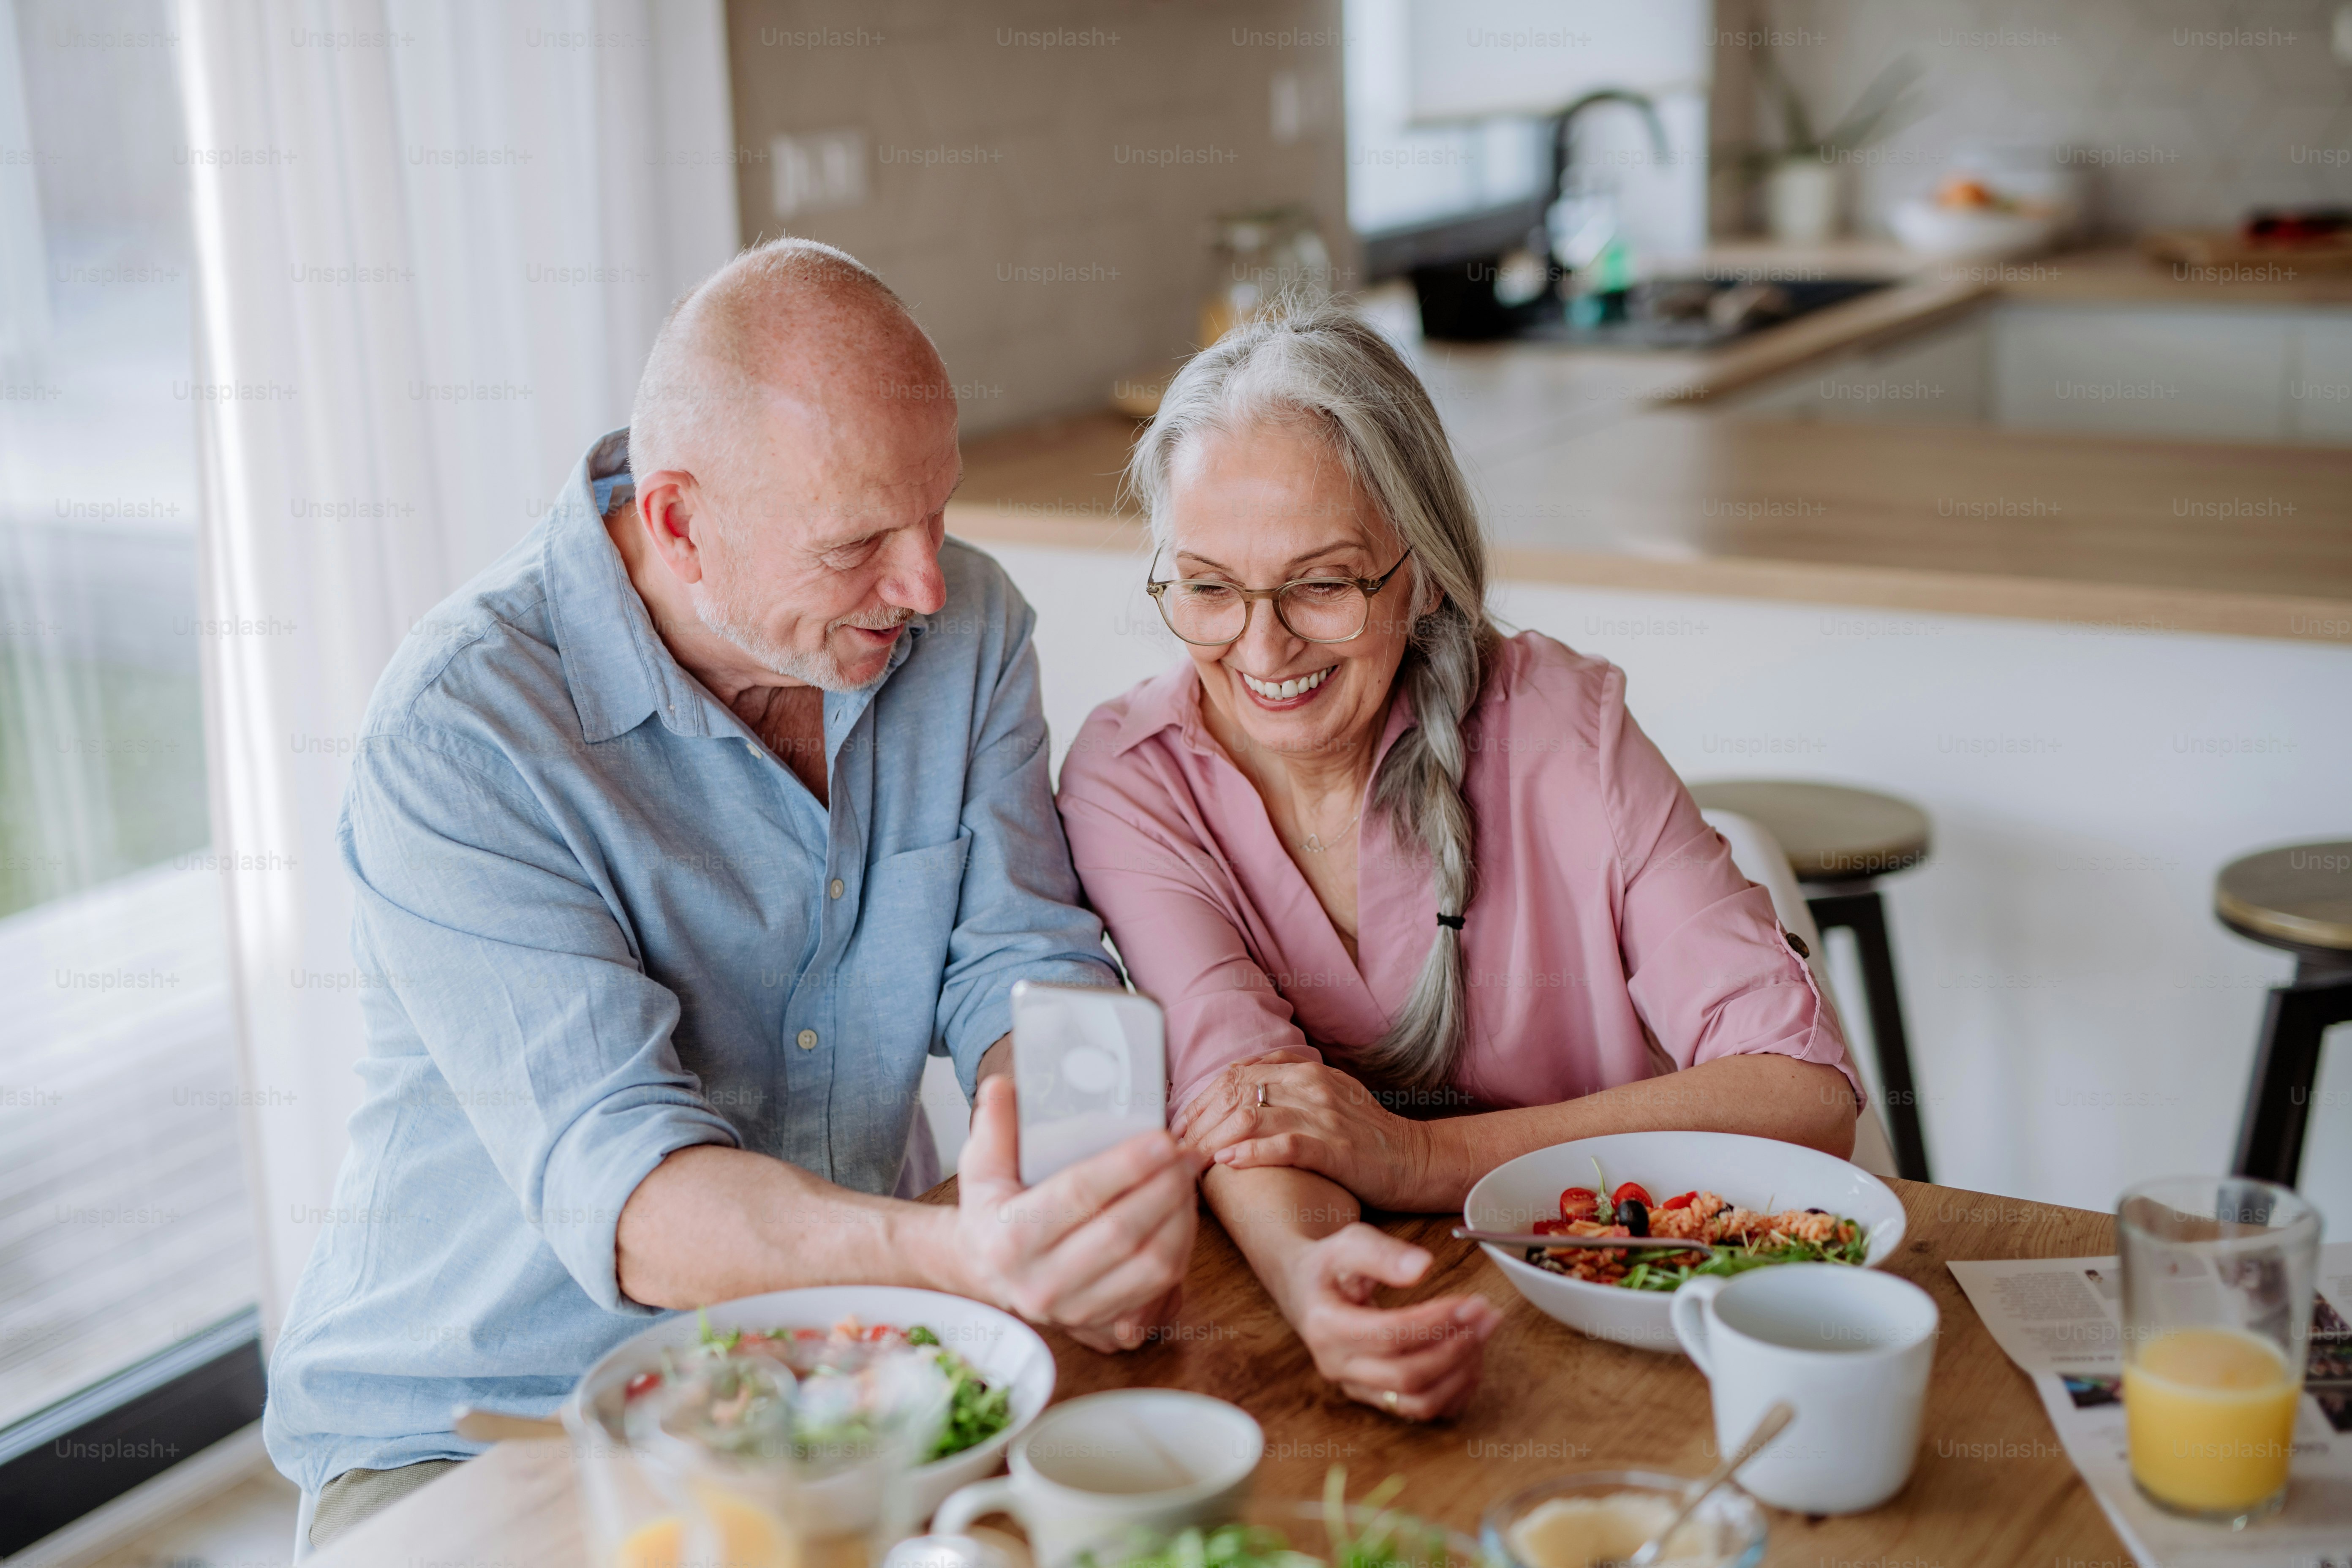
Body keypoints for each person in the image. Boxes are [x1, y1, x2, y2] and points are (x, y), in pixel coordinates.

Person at [265, 240, 1203, 1546]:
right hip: (486, 1425)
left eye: (938, 510)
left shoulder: (967, 628)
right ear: (679, 524)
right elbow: (631, 1193)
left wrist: (1081, 1186)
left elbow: (1025, 965)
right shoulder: (465, 728)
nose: (925, 582)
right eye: (859, 543)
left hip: (852, 1371)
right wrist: (966, 1259)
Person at [1056, 302, 1862, 1422]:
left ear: (1425, 574)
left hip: (1614, 1294)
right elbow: (1240, 1091)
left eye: (1324, 583)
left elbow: (1802, 1093)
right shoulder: (1134, 774)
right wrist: (1315, 1285)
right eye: (1206, 587)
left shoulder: (1565, 732)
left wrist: (1417, 1161)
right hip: (1330, 1314)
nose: (1263, 644)